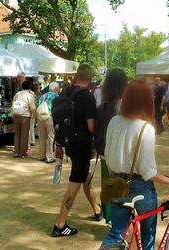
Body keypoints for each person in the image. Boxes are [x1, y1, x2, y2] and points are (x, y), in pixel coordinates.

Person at [99, 79, 169, 250]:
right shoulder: (146, 128)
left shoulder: (114, 122)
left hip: (116, 183)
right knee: (147, 232)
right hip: (140, 187)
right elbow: (147, 171)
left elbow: (107, 157)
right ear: (147, 101)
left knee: (115, 233)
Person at [51, 64, 102, 237]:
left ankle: (97, 210)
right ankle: (60, 225)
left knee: (84, 177)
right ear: (89, 81)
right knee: (75, 182)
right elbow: (91, 125)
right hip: (82, 144)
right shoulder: (87, 97)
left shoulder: (66, 91)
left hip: (68, 143)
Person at [95, 68, 128, 224]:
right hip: (121, 156)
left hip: (104, 153)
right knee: (120, 188)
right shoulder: (124, 106)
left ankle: (109, 218)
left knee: (108, 185)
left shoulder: (102, 106)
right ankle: (117, 221)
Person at [12, 80, 36, 157]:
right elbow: (32, 107)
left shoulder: (17, 94)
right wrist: (35, 115)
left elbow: (13, 103)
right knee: (24, 135)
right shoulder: (30, 95)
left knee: (17, 134)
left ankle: (16, 151)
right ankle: (22, 152)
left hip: (16, 115)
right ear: (30, 87)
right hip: (25, 116)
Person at [37, 82, 60, 163]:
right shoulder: (56, 96)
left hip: (40, 118)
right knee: (50, 137)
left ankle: (42, 156)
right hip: (49, 118)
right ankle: (50, 157)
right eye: (58, 88)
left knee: (42, 138)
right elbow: (57, 110)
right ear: (56, 89)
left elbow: (38, 105)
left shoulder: (42, 96)